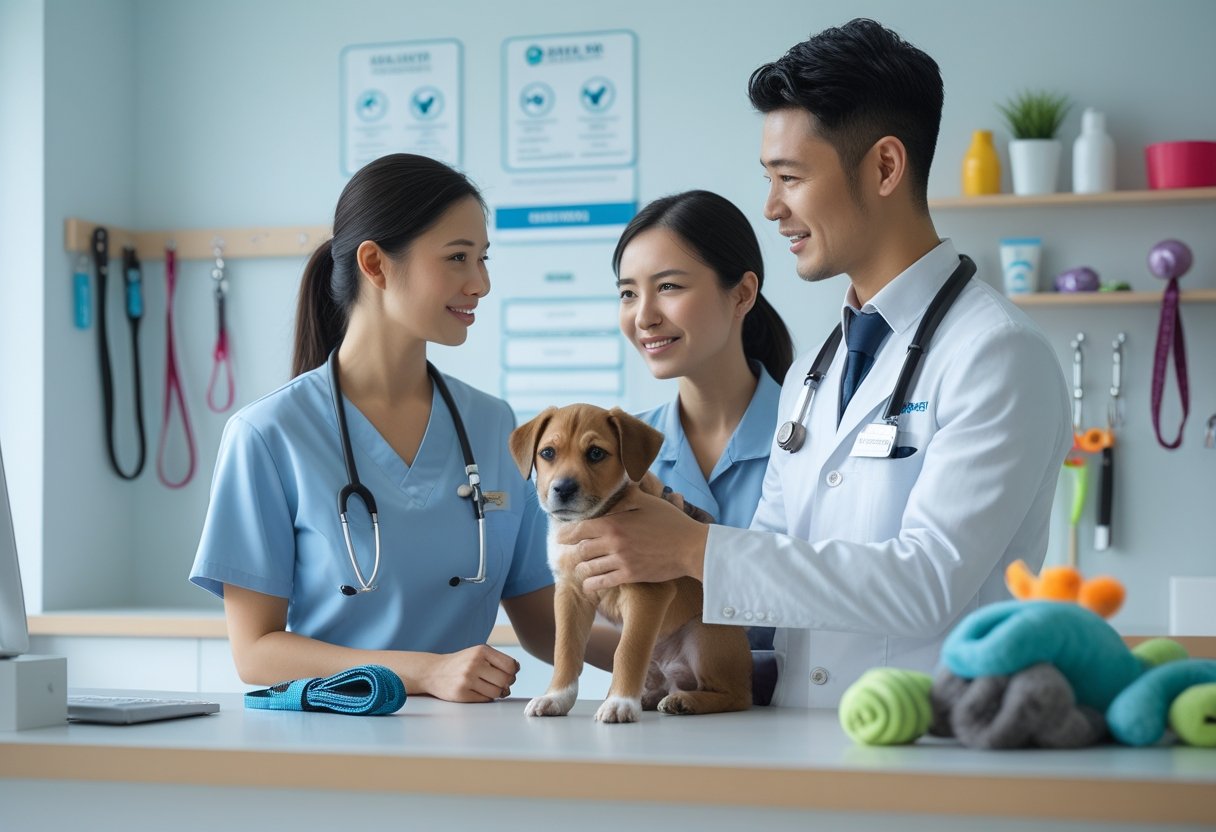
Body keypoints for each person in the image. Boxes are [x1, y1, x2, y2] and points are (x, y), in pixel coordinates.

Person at [562, 19, 1072, 708]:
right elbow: (772, 560)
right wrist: (678, 530)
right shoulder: (818, 371)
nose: (772, 208)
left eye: (791, 178)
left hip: (933, 738)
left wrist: (693, 550)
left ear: (886, 167)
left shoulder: (996, 354)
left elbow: (927, 581)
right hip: (798, 735)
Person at [189, 153, 616, 702]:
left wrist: (664, 660)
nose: (480, 283)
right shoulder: (268, 435)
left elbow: (540, 619)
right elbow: (255, 653)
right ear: (375, 264)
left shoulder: (495, 425)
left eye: (483, 259)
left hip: (469, 747)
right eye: (458, 257)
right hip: (328, 741)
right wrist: (423, 672)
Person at [613, 190, 793, 702]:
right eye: (627, 293)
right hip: (666, 726)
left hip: (808, 718)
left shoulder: (815, 437)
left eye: (668, 286)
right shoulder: (615, 451)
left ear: (741, 294)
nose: (643, 315)